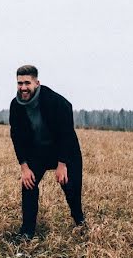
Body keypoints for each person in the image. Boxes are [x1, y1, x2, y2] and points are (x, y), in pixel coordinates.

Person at [8, 64, 85, 239]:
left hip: (64, 150)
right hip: (38, 152)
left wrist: (62, 163)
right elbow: (16, 136)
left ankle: (80, 221)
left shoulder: (56, 102)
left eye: (27, 83)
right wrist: (24, 167)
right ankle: (27, 231)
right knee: (28, 184)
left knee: (70, 186)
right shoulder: (16, 105)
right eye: (19, 83)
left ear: (37, 83)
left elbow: (66, 133)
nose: (23, 88)